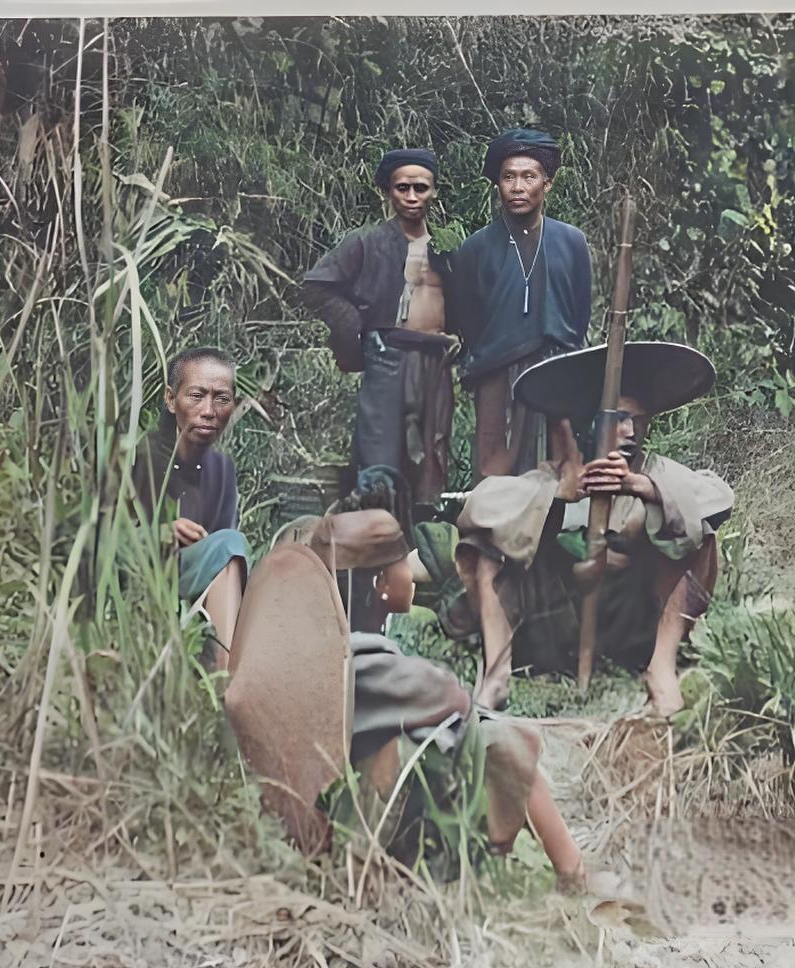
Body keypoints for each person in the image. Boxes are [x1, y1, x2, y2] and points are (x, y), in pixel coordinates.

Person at [224, 506, 586, 891]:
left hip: (345, 814)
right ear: (382, 582)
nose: (410, 571)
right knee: (505, 741)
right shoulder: (364, 659)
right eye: (401, 562)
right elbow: (451, 700)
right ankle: (573, 872)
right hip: (361, 832)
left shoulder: (328, 651)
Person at [436, 342, 733, 715]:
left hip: (631, 625)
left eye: (637, 420)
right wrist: (557, 499)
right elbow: (483, 504)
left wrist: (643, 490)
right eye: (617, 418)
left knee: (699, 530)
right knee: (488, 539)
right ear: (591, 422)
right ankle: (496, 674)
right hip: (556, 626)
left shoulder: (655, 471)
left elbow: (719, 498)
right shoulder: (556, 476)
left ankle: (661, 668)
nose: (628, 431)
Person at [300, 148, 457, 506]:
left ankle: (420, 546)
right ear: (388, 191)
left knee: (431, 461)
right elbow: (314, 287)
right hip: (387, 355)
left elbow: (465, 302)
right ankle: (372, 544)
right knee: (379, 456)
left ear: (434, 190)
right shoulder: (366, 241)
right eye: (403, 188)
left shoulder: (447, 247)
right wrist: (353, 327)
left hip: (435, 362)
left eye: (421, 187)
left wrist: (460, 337)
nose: (412, 196)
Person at [453, 129, 592, 479]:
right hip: (496, 372)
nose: (517, 187)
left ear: (546, 184)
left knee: (558, 469)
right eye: (508, 177)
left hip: (556, 369)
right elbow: (466, 319)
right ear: (497, 184)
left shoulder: (572, 242)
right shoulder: (476, 248)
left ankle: (553, 529)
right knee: (496, 473)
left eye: (528, 176)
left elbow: (579, 312)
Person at [134, 346, 248, 671]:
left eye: (222, 399)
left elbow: (223, 554)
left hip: (194, 599)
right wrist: (162, 532)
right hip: (143, 585)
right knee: (230, 544)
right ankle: (222, 680)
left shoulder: (223, 470)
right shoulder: (139, 457)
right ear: (171, 400)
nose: (209, 410)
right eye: (197, 396)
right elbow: (98, 542)